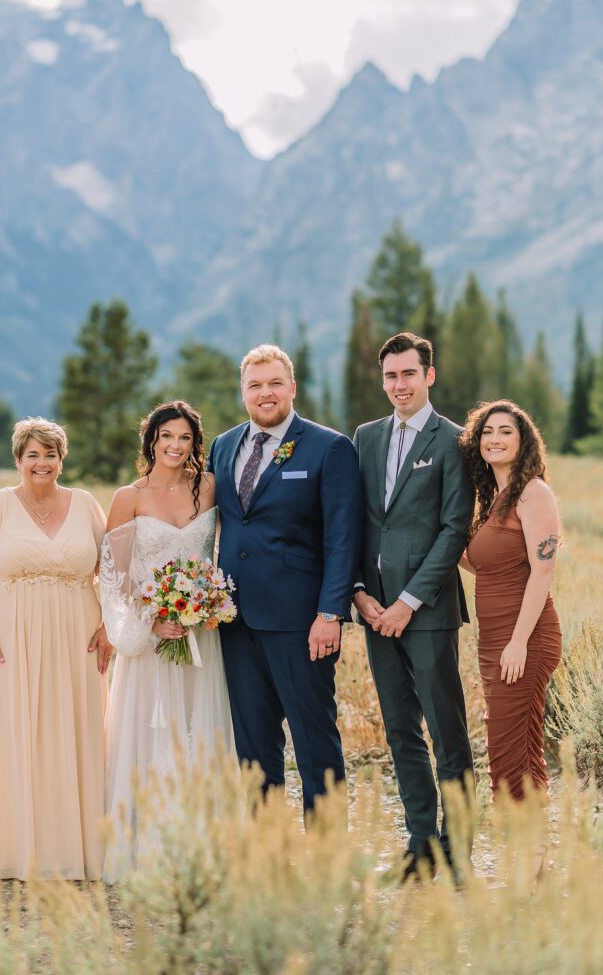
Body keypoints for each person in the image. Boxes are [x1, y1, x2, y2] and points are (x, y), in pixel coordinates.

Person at [208, 344, 363, 813]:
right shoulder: (223, 445)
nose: (265, 393)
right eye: (255, 385)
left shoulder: (328, 447)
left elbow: (343, 538)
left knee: (314, 737)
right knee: (253, 744)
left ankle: (328, 855)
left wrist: (330, 612)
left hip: (302, 622)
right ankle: (267, 853)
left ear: (292, 388)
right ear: (243, 392)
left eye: (275, 383)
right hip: (235, 621)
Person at [0, 417, 111, 880]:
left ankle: (75, 850)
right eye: (33, 455)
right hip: (9, 637)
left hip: (78, 636)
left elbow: (116, 570)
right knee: (13, 733)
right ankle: (13, 851)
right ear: (18, 460)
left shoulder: (85, 505)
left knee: (77, 731)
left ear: (62, 460)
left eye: (50, 454)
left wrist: (108, 625)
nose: (41, 463)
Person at [353, 332, 474, 879]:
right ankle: (421, 843)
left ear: (429, 375)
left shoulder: (452, 440)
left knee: (447, 732)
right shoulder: (366, 437)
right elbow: (353, 522)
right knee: (400, 731)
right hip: (374, 613)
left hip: (425, 612)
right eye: (390, 376)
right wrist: (360, 594)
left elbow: (453, 531)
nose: (398, 385)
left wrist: (406, 601)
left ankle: (459, 848)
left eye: (408, 374)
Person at [101, 401, 234, 879]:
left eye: (184, 438)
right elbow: (111, 575)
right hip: (151, 636)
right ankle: (147, 844)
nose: (175, 446)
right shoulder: (128, 497)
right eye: (166, 437)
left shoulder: (211, 489)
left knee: (199, 730)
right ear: (151, 442)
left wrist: (206, 603)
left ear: (195, 444)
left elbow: (222, 553)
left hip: (201, 635)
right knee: (151, 732)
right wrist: (149, 619)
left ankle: (197, 842)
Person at [460, 400, 562, 804]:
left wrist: (518, 642)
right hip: (496, 640)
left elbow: (543, 572)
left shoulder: (533, 493)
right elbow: (486, 567)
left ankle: (528, 851)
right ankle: (529, 856)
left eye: (506, 431)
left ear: (524, 442)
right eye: (487, 431)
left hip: (525, 639)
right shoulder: (497, 498)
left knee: (511, 749)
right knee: (514, 744)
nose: (495, 438)